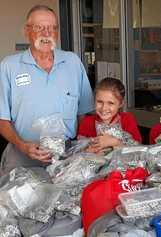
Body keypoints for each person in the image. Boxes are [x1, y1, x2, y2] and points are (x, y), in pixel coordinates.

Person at [0, 5, 94, 175]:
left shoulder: (72, 62)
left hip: (67, 156)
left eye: (52, 27)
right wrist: (22, 145)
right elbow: (2, 120)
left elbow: (84, 114)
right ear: (27, 31)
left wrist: (78, 149)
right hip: (22, 155)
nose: (47, 33)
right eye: (39, 27)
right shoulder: (9, 66)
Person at [77, 77, 142, 153]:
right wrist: (90, 150)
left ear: (121, 103)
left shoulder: (127, 119)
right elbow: (79, 149)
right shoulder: (86, 122)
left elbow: (137, 149)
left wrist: (115, 142)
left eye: (110, 103)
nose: (104, 108)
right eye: (100, 102)